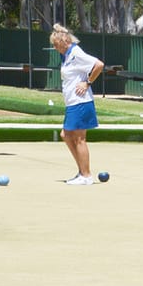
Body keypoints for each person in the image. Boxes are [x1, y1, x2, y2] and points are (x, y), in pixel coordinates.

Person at [49, 24, 104, 186]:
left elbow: (99, 65)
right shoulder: (67, 55)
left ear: (64, 41)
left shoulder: (76, 53)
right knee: (65, 135)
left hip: (81, 101)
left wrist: (87, 83)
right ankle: (81, 171)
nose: (54, 47)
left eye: (56, 44)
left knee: (79, 138)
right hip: (72, 102)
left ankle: (86, 175)